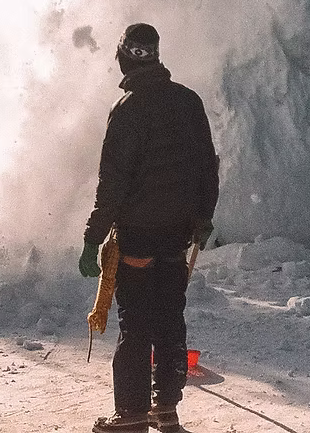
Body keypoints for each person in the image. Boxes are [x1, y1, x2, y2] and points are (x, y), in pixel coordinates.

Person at [80, 23, 220, 433]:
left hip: (138, 235)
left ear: (125, 56)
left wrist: (93, 238)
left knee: (136, 323)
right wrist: (203, 217)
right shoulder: (188, 102)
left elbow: (114, 183)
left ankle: (132, 413)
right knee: (170, 319)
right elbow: (205, 168)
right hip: (176, 235)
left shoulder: (127, 109)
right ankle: (167, 409)